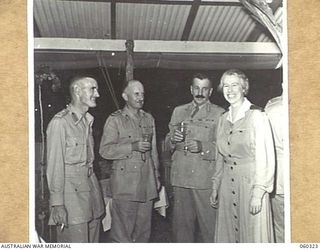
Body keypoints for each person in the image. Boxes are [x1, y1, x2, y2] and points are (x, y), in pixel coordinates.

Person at [210, 69, 275, 243]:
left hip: (250, 185)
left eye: (234, 85)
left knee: (252, 234)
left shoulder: (257, 116)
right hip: (226, 186)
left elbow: (265, 157)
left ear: (244, 88)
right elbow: (220, 157)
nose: (229, 90)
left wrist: (258, 192)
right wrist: (216, 185)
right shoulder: (222, 119)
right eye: (226, 85)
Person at [99, 80, 160, 243]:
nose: (141, 97)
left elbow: (154, 151)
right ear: (125, 96)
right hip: (125, 185)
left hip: (147, 183)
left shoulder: (149, 119)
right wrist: (131, 146)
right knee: (122, 235)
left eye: (143, 94)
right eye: (136, 94)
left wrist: (157, 176)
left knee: (143, 234)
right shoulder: (115, 120)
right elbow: (105, 150)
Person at [166, 73, 224, 242]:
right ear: (191, 89)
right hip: (181, 178)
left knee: (210, 228)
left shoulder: (220, 114)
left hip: (204, 180)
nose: (200, 92)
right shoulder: (178, 111)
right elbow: (167, 145)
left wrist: (202, 147)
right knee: (181, 230)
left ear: (211, 91)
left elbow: (223, 149)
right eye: (197, 88)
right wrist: (172, 140)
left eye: (205, 89)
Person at [46, 76, 105, 243]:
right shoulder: (60, 123)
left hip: (91, 191)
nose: (98, 94)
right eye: (93, 89)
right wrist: (57, 204)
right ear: (77, 91)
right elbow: (54, 166)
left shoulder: (87, 121)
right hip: (71, 196)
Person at [265, 94, 285, 243]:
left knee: (280, 226)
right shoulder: (275, 107)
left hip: (278, 178)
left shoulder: (272, 105)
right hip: (282, 177)